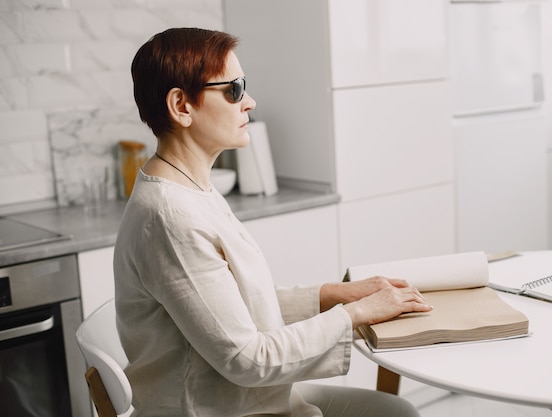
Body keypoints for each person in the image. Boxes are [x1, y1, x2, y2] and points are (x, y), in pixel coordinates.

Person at [114, 27, 432, 417]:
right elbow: (248, 360)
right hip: (216, 409)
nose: (249, 101)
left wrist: (334, 294)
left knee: (397, 411)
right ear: (182, 106)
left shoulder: (190, 188)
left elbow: (232, 304)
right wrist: (354, 314)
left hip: (243, 400)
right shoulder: (169, 216)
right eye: (233, 89)